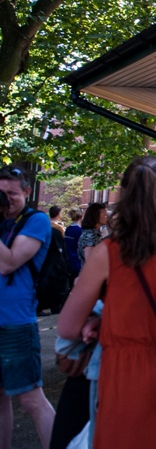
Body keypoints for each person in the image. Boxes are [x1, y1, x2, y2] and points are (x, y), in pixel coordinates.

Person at [57, 156, 156, 447]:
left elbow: (66, 327)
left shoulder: (108, 252)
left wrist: (105, 318)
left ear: (124, 192)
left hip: (127, 375)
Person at [0, 166, 56, 449]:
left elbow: (8, 262)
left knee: (31, 398)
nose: (6, 200)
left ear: (26, 192)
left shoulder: (37, 221)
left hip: (16, 324)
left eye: (12, 194)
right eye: (1, 193)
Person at [77, 203, 108, 267]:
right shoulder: (91, 235)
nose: (107, 217)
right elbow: (90, 261)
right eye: (105, 215)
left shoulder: (93, 233)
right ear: (96, 216)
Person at [63, 209, 84, 282]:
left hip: (68, 259)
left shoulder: (68, 229)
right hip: (77, 261)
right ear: (81, 217)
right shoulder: (80, 230)